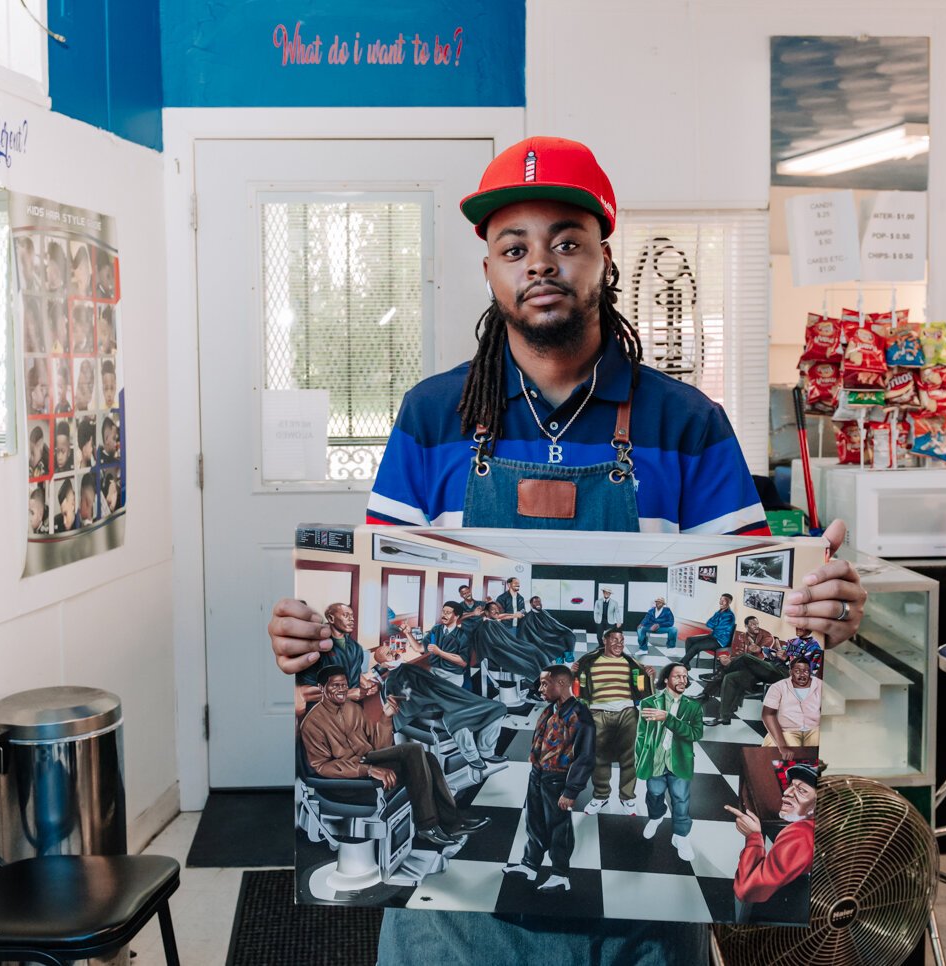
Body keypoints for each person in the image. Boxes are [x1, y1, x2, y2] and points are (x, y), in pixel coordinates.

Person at [268, 135, 866, 965]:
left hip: (643, 917)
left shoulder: (688, 426)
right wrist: (308, 641)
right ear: (489, 270)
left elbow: (757, 607)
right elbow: (371, 596)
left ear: (602, 261)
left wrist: (816, 614)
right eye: (514, 247)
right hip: (454, 923)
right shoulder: (430, 420)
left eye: (566, 242)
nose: (540, 263)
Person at [300, 665, 490, 848]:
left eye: (344, 685)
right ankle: (427, 824)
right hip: (348, 783)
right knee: (413, 751)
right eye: (335, 685)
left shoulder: (353, 709)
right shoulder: (312, 723)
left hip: (367, 763)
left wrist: (386, 717)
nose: (342, 690)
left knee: (428, 758)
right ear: (321, 688)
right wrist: (369, 769)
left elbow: (378, 746)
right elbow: (323, 767)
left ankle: (452, 822)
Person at [503, 665, 594, 893]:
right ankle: (530, 865)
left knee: (558, 827)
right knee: (533, 821)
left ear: (561, 684)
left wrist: (571, 791)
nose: (540, 688)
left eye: (545, 683)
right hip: (538, 774)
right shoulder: (550, 709)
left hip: (558, 779)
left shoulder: (580, 715)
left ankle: (560, 875)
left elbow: (585, 756)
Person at [370, 639, 508, 770]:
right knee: (456, 715)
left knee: (497, 707)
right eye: (389, 654)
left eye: (392, 650)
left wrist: (447, 695)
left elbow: (434, 683)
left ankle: (486, 751)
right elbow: (407, 707)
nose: (394, 653)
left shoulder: (408, 667)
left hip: (446, 699)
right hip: (432, 711)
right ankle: (472, 756)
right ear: (383, 665)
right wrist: (437, 701)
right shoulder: (392, 682)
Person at [726, 761, 818, 923]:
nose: (787, 793)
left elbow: (746, 891)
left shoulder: (801, 834)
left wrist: (753, 837)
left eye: (802, 790)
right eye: (791, 786)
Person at [574, 628, 653, 815]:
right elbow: (577, 689)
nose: (619, 644)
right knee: (598, 756)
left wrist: (649, 676)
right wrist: (572, 673)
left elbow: (643, 689)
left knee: (630, 756)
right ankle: (601, 796)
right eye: (615, 640)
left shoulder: (630, 663)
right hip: (598, 712)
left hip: (627, 712)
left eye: (622, 640)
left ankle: (627, 796)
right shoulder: (589, 662)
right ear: (605, 640)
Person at [635, 662, 704, 860]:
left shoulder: (693, 707)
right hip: (655, 760)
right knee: (654, 793)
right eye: (677, 676)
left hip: (680, 761)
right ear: (666, 679)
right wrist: (640, 759)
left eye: (685, 677)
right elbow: (641, 734)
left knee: (681, 799)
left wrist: (668, 719)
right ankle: (656, 817)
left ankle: (681, 836)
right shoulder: (649, 703)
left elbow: (695, 734)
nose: (683, 680)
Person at [762, 657, 823, 757]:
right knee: (782, 755)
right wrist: (782, 746)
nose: (802, 675)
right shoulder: (778, 687)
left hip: (814, 729)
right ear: (790, 672)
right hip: (787, 731)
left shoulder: (820, 685)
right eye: (797, 671)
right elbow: (768, 715)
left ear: (810, 672)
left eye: (806, 671)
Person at [405, 601, 472, 689]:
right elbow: (419, 648)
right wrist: (408, 634)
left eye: (448, 613)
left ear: (456, 616)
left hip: (452, 675)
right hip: (434, 672)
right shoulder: (436, 629)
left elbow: (463, 662)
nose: (444, 615)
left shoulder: (463, 635)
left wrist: (439, 652)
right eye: (443, 611)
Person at [520, 596, 578, 665]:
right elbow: (525, 633)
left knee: (569, 635)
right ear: (531, 604)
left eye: (539, 601)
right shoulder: (528, 617)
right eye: (535, 602)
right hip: (540, 639)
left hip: (550, 633)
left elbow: (554, 624)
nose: (538, 603)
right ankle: (559, 662)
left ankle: (569, 660)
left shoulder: (544, 612)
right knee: (557, 642)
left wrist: (562, 630)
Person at [686, 593, 737, 668]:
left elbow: (718, 628)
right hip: (713, 636)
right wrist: (714, 625)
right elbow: (708, 623)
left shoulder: (729, 615)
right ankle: (686, 662)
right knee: (689, 640)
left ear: (729, 602)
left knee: (697, 646)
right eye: (720, 600)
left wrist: (714, 625)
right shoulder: (718, 612)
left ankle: (683, 663)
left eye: (724, 600)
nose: (721, 602)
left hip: (721, 641)